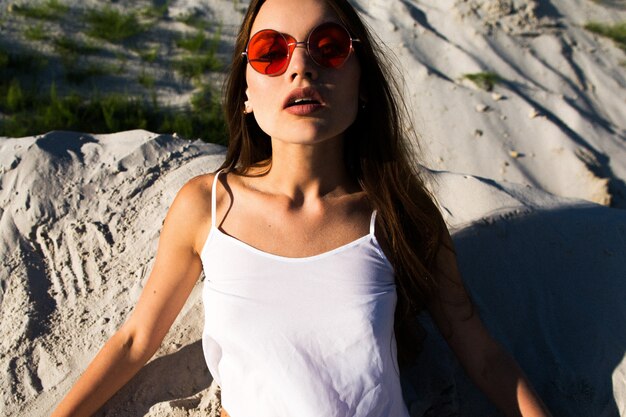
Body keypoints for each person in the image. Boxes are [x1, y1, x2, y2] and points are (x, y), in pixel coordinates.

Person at [52, 0, 553, 416]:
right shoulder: (207, 205)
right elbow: (136, 340)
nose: (301, 66)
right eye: (270, 52)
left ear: (362, 83)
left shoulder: (397, 211)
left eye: (329, 48)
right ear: (246, 91)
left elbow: (481, 354)